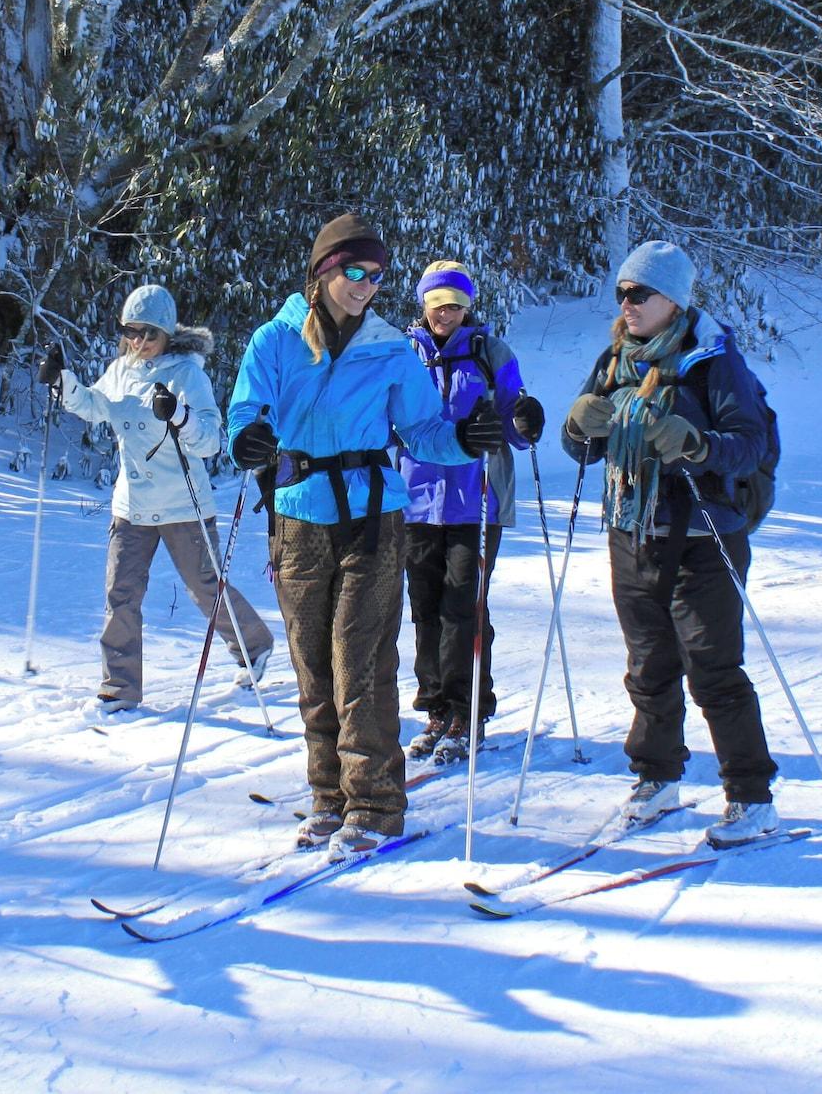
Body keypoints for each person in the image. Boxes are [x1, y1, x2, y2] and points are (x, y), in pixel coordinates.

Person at [227, 214, 503, 861]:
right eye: (355, 271)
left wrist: (464, 439)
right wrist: (249, 439)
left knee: (361, 662)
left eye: (377, 275)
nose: (366, 285)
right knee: (313, 666)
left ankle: (375, 803)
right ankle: (329, 797)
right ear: (323, 270)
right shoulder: (275, 339)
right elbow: (246, 410)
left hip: (374, 520)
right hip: (297, 517)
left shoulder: (389, 349)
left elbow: (424, 430)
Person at [559, 239, 780, 848]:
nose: (626, 304)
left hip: (705, 535)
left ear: (673, 300)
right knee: (649, 668)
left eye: (640, 293)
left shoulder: (713, 360)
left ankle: (751, 796)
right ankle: (657, 779)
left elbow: (751, 443)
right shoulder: (614, 359)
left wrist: (697, 443)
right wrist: (579, 424)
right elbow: (580, 447)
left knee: (713, 670)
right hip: (632, 531)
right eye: (622, 292)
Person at [40, 284, 273, 714]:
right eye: (132, 332)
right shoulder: (121, 369)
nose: (140, 343)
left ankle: (254, 645)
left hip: (183, 503)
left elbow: (210, 442)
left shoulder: (187, 373)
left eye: (150, 334)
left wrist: (180, 416)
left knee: (204, 588)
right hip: (131, 506)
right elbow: (94, 405)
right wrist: (63, 383)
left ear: (168, 334)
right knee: (120, 595)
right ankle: (119, 687)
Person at [399, 262, 546, 765]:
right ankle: (435, 707)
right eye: (438, 304)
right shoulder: (405, 354)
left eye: (456, 305)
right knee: (424, 607)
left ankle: (468, 710)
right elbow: (384, 418)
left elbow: (516, 425)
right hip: (416, 500)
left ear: (468, 307)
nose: (447, 313)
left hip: (476, 500)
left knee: (463, 606)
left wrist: (522, 421)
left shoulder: (491, 353)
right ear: (424, 304)